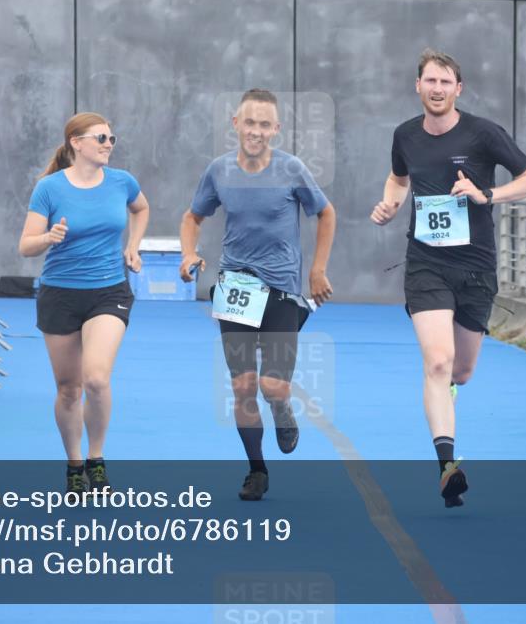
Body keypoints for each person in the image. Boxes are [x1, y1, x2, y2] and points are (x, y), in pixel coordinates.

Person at [370, 49, 526, 507]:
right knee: (438, 361)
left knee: (460, 372)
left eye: (446, 82)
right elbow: (397, 178)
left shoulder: (484, 133)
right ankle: (447, 464)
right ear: (418, 85)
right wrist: (390, 203)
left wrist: (488, 194)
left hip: (476, 267)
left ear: (458, 89)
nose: (437, 89)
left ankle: (444, 398)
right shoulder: (405, 135)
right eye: (430, 81)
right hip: (426, 263)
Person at [179, 89, 336, 501]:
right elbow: (192, 216)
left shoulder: (292, 169)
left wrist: (317, 269)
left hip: (282, 289)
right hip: (234, 288)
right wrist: (189, 252)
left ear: (277, 129)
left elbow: (326, 212)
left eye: (265, 124)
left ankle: (283, 410)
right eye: (250, 123)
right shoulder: (218, 171)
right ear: (236, 124)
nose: (256, 131)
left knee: (273, 387)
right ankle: (256, 470)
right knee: (243, 387)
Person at [19, 113, 149, 494]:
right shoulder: (49, 188)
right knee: (69, 388)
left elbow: (141, 209)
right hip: (60, 293)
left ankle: (96, 458)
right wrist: (49, 237)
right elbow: (26, 245)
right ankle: (74, 463)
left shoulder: (123, 182)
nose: (109, 143)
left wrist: (133, 245)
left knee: (96, 377)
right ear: (76, 142)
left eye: (112, 137)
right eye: (101, 137)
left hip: (109, 290)